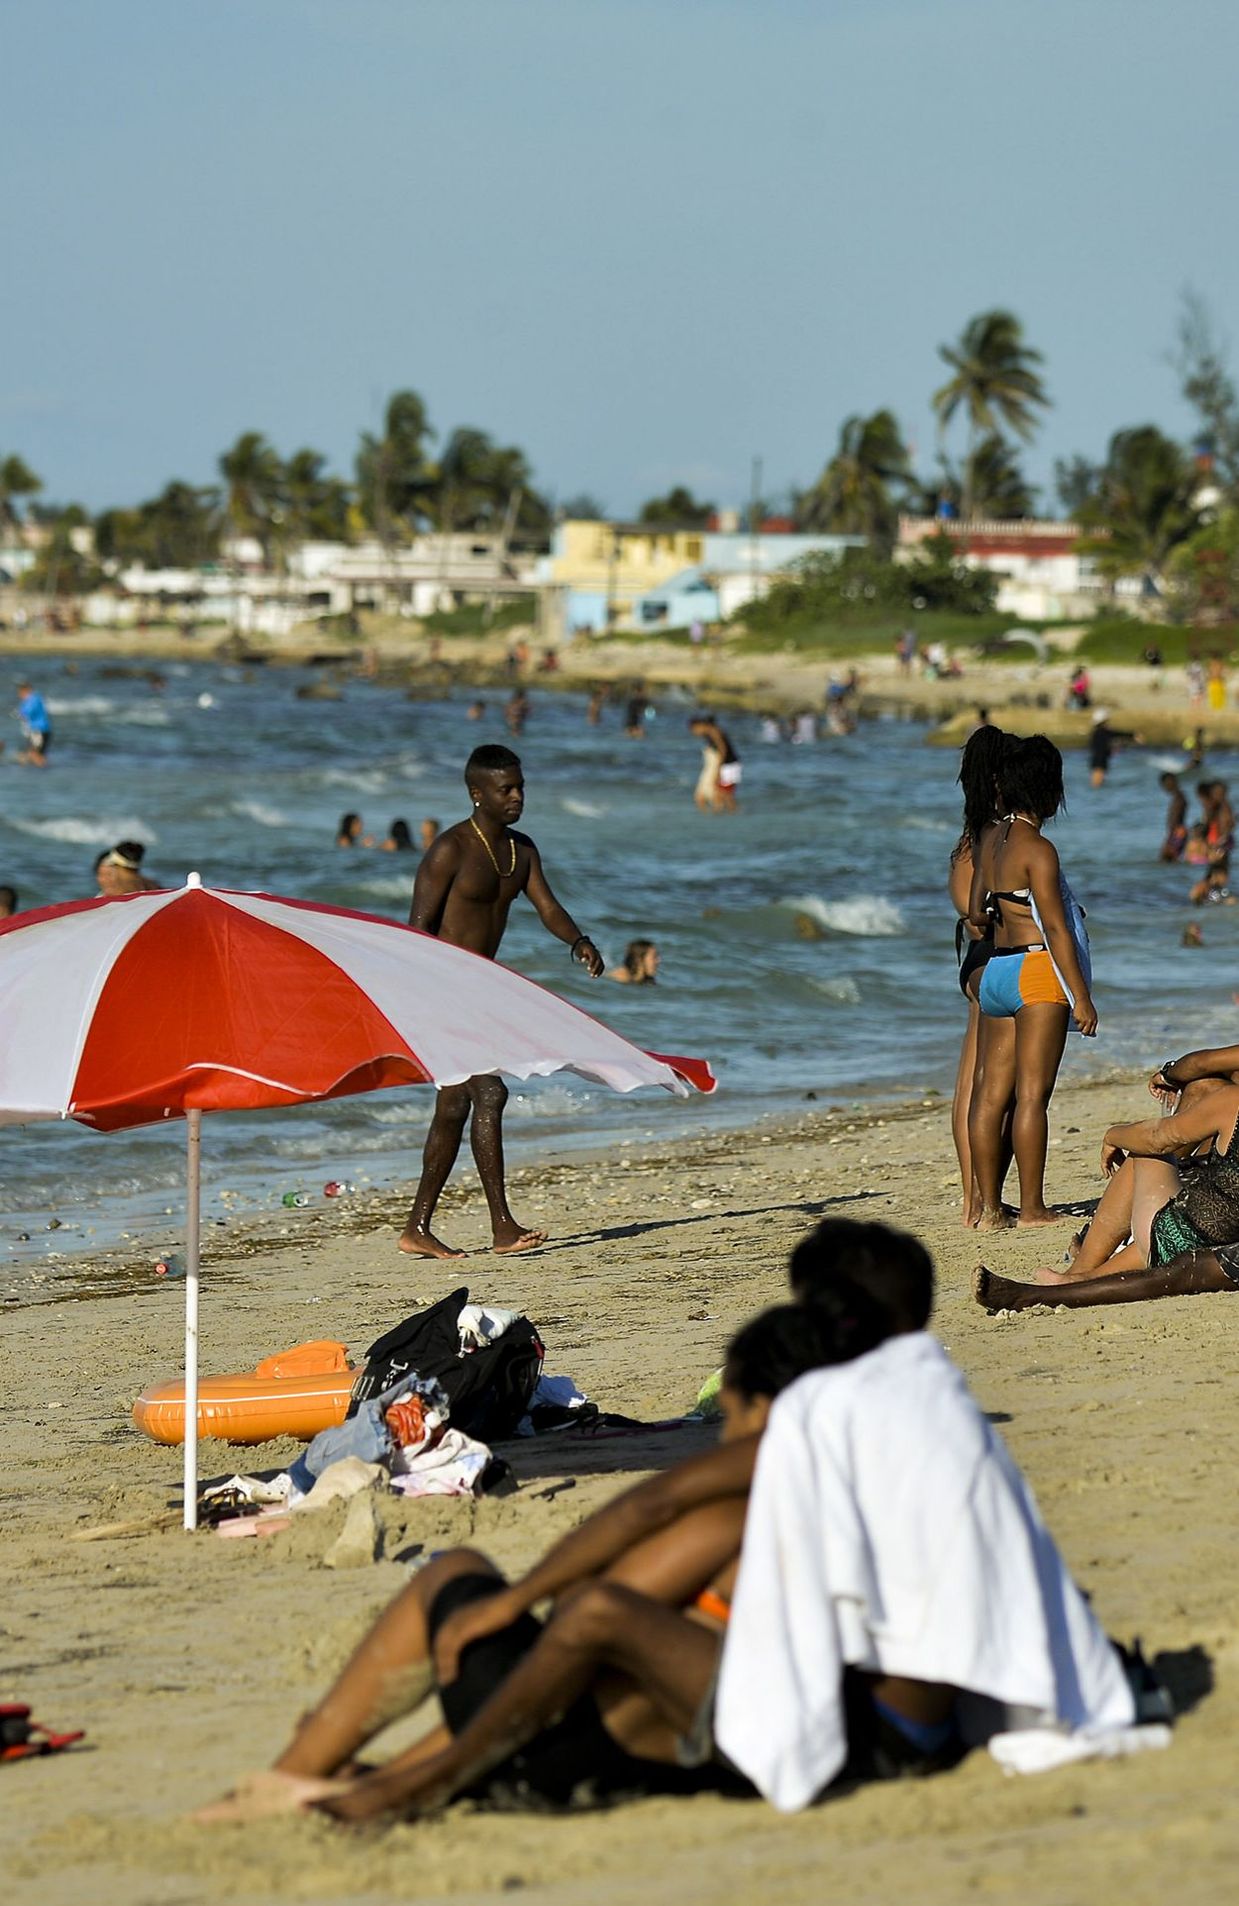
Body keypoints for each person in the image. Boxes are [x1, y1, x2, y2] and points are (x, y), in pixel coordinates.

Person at [196, 1279, 895, 1823]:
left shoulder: (733, 1518)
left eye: (737, 1412)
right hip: (671, 1738)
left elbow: (572, 1636)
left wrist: (402, 1777)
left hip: (602, 1757)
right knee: (542, 1619)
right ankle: (330, 1779)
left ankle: (299, 1776)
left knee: (458, 1580)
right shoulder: (850, 1495)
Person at [399, 745, 604, 1258]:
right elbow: (416, 931)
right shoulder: (450, 850)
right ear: (476, 794)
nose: (516, 797)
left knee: (453, 1108)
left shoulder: (520, 851)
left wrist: (577, 941)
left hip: (480, 994)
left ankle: (417, 1229)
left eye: (520, 788)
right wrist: (419, 1001)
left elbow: (547, 907)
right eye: (505, 789)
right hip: (440, 991)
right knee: (488, 1095)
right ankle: (503, 1227)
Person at [976, 1063, 1239, 1311]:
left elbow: (1157, 1138)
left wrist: (1113, 1134)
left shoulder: (1231, 1101)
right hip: (1226, 1244)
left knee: (1145, 1154)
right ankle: (1084, 1278)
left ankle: (1079, 1269)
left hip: (1180, 1241)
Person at [966, 736, 1097, 1229]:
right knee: (1033, 1096)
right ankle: (1035, 1209)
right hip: (1037, 970)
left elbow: (977, 914)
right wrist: (1081, 997)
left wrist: (1004, 910)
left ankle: (989, 1208)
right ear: (1050, 790)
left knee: (991, 1095)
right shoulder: (1038, 849)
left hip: (996, 970)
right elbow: (1057, 928)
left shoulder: (991, 840)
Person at [948, 726, 1014, 1227]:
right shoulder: (999, 834)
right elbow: (984, 916)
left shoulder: (968, 836)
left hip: (973, 959)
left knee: (969, 1082)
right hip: (995, 956)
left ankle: (972, 1200)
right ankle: (982, 1200)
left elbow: (965, 910)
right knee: (993, 1085)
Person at [689, 715, 740, 813]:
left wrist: (718, 770)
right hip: (727, 764)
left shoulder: (713, 731)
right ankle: (729, 815)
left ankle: (734, 814)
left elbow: (723, 750)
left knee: (726, 794)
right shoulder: (711, 732)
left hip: (729, 764)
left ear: (699, 725)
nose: (695, 733)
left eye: (694, 730)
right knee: (722, 794)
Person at [1087, 709, 1136, 788]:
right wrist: (1132, 735)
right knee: (1097, 783)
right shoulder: (1102, 732)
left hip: (1097, 758)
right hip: (1100, 759)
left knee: (1097, 782)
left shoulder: (1097, 732)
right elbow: (1116, 734)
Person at [15, 681, 51, 766]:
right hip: (39, 730)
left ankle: (43, 772)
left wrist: (19, 714)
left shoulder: (33, 699)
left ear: (26, 690)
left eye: (20, 692)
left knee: (34, 754)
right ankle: (43, 772)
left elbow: (26, 712)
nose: (19, 695)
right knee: (37, 753)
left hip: (39, 730)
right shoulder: (32, 699)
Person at [1159, 772, 1188, 861]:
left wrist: (1172, 835)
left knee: (1167, 858)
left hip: (1177, 832)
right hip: (1177, 831)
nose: (1166, 787)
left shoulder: (1179, 798)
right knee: (1170, 859)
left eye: (1167, 784)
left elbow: (1176, 818)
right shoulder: (1178, 797)